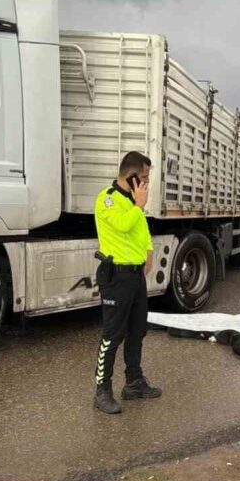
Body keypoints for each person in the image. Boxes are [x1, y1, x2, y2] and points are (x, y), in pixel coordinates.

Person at [93, 151, 162, 414]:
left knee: (137, 330)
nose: (146, 182)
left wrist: (149, 252)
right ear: (131, 176)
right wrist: (138, 205)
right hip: (116, 276)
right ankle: (102, 390)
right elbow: (123, 225)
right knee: (112, 335)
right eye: (143, 177)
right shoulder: (108, 199)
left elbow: (140, 230)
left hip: (135, 276)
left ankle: (134, 382)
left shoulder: (132, 201)